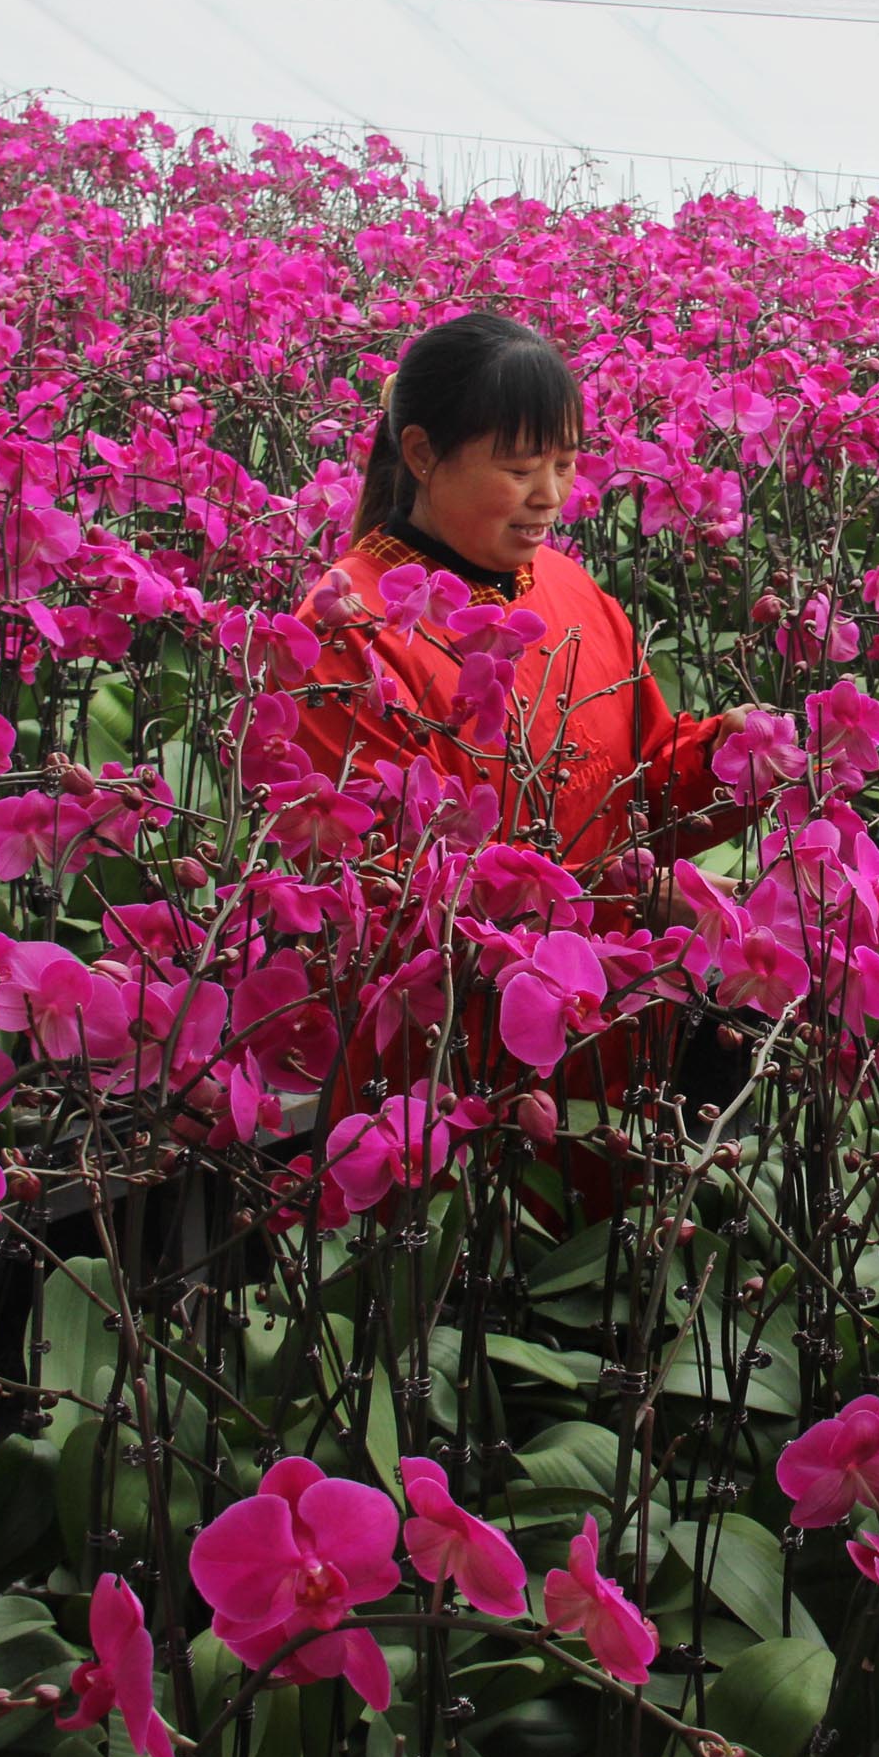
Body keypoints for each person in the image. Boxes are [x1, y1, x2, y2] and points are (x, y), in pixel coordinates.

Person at [284, 310, 758, 1185]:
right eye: (518, 467)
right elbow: (373, 891)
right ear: (423, 455)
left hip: (611, 1030)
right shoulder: (347, 633)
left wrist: (728, 760)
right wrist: (615, 897)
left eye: (567, 465)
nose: (550, 496)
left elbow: (639, 786)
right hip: (454, 1058)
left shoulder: (573, 592)